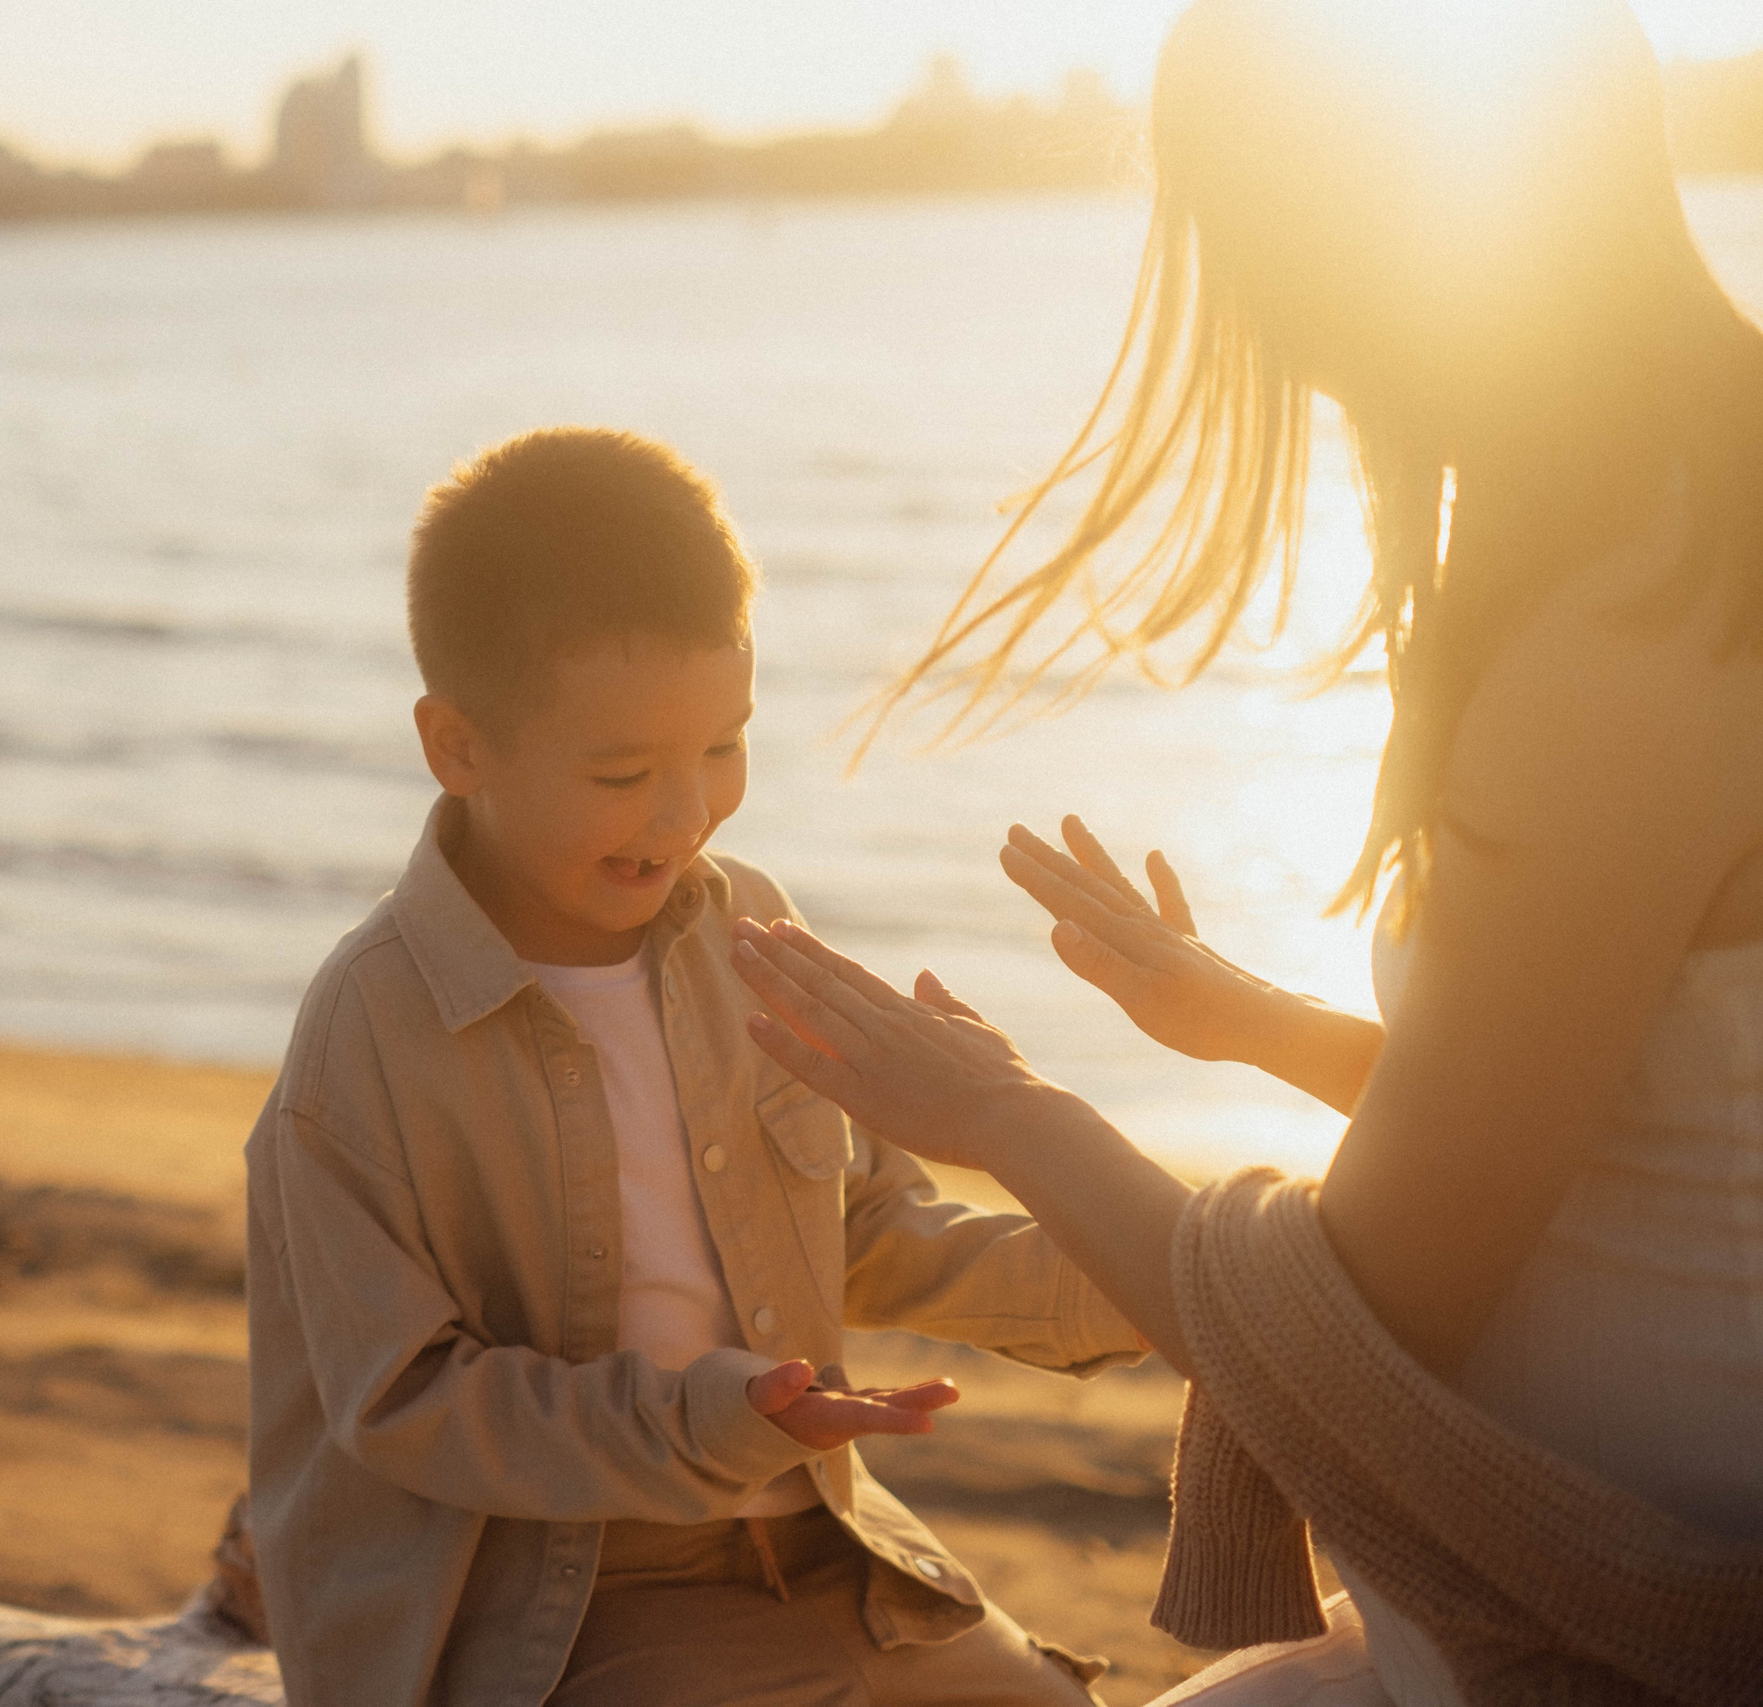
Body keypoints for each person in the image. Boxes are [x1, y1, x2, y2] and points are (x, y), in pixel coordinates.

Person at [733, 2, 1763, 1702]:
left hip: (1634, 1635)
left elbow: (1361, 1331)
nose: (1271, 333)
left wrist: (1008, 1117)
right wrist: (1255, 1022)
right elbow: (1655, 1156)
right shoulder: (1664, 506)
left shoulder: (1637, 618)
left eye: (1249, 246)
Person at [244, 427, 1145, 1707]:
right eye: (622, 773)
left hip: (834, 1545)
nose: (686, 815)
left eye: (722, 746)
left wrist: (1149, 1269)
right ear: (457, 747)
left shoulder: (745, 926)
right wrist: (720, 1419)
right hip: (553, 1610)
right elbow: (402, 1398)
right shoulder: (371, 1029)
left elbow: (870, 1227)